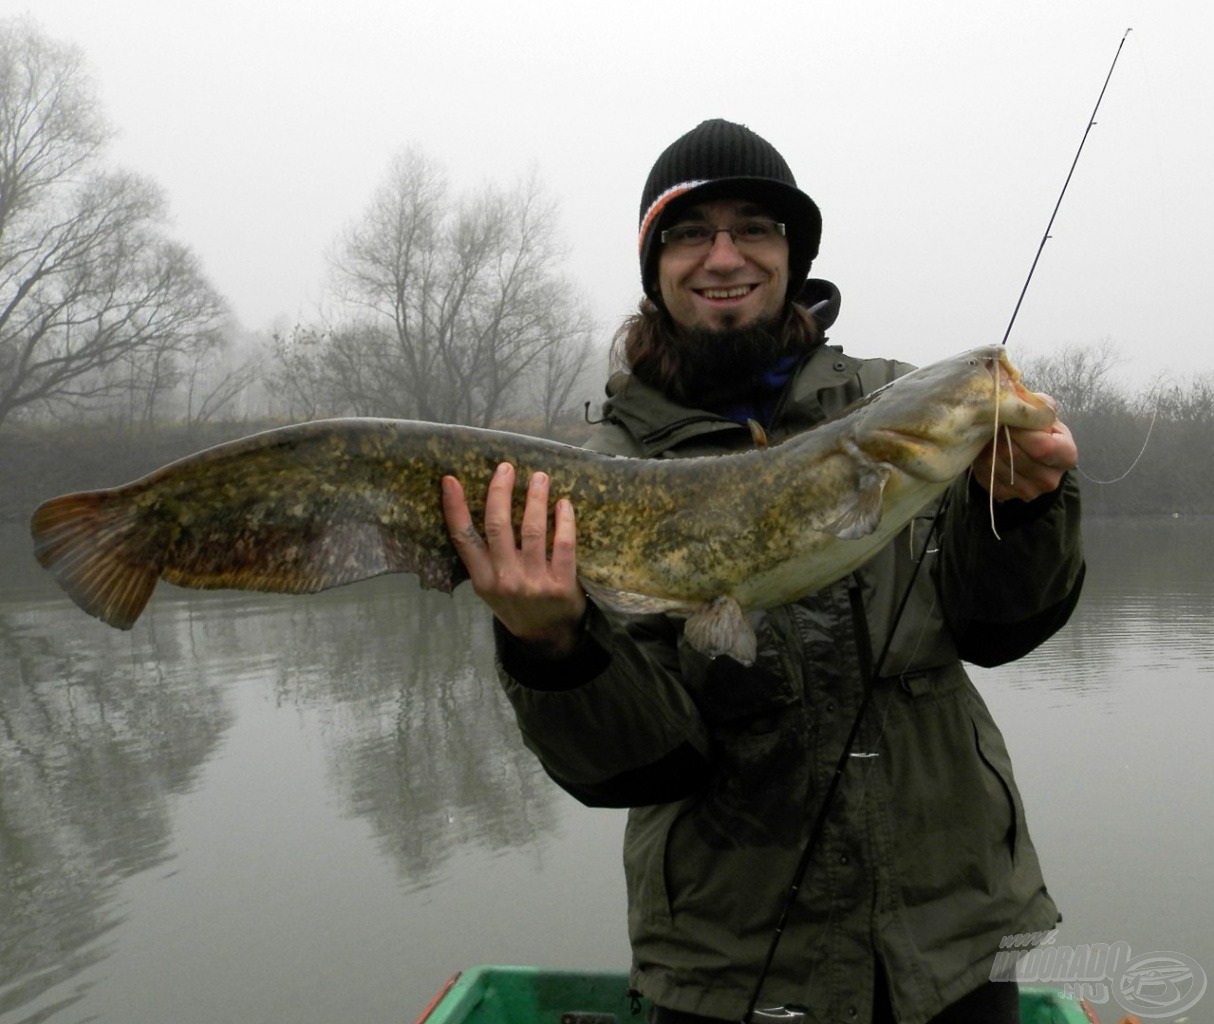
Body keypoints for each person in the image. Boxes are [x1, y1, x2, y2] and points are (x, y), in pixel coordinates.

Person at [440, 119, 1084, 1024]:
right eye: (690, 233)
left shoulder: (891, 400)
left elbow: (1001, 628)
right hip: (725, 962)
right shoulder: (595, 469)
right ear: (654, 267)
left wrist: (1024, 509)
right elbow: (641, 766)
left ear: (793, 253)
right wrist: (553, 647)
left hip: (951, 940)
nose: (723, 255)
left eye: (755, 228)